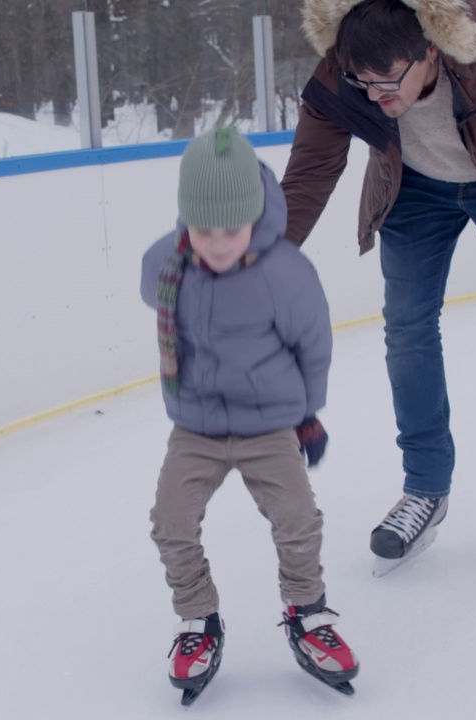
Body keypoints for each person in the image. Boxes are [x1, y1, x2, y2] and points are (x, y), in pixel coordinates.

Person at [282, 0, 476, 578]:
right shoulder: (347, 60)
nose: (377, 96)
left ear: (431, 50)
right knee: (406, 330)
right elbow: (311, 167)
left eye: (389, 81)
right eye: (364, 83)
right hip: (414, 188)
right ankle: (425, 489)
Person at [140, 127, 359, 701]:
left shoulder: (286, 274)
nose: (216, 244)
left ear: (255, 215)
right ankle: (198, 621)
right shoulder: (167, 263)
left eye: (230, 230)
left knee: (298, 519)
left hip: (269, 423)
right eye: (202, 229)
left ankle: (307, 610)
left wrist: (308, 415)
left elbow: (314, 347)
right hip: (197, 425)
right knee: (170, 521)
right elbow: (153, 287)